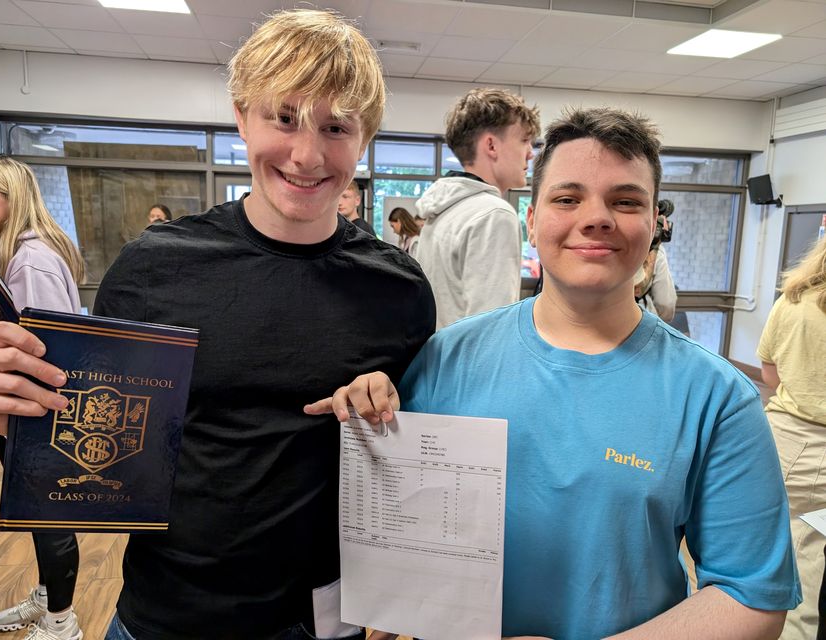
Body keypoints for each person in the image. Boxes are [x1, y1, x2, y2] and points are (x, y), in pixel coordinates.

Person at [0, 10, 435, 640]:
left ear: (365, 138)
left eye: (336, 127)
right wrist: (19, 426)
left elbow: (413, 458)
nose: (307, 153)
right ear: (242, 116)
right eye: (284, 117)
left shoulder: (400, 291)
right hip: (167, 613)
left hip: (326, 618)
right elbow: (94, 445)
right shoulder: (153, 268)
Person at [314, 107, 801, 639]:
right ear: (530, 219)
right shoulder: (444, 361)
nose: (596, 218)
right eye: (567, 198)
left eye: (626, 201)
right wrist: (369, 405)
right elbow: (401, 528)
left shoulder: (716, 396)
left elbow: (752, 597)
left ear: (655, 224)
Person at [0, 156, 85, 640]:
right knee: (35, 514)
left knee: (49, 518)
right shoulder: (9, 252)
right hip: (16, 413)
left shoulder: (32, 258)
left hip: (36, 417)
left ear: (10, 196)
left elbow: (54, 350)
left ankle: (62, 621)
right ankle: (47, 596)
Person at [415, 87, 540, 329]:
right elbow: (492, 328)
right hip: (468, 365)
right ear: (491, 146)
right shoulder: (494, 214)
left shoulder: (442, 210)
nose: (530, 154)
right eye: (524, 140)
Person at [758, 235, 826, 640]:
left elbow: (769, 371)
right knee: (807, 555)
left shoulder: (793, 301)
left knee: (762, 542)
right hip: (816, 450)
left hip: (779, 439)